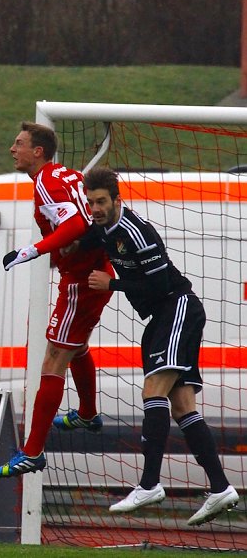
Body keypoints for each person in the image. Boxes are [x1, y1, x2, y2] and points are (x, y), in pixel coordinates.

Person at [81, 167, 239, 525]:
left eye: (101, 201)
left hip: (177, 307)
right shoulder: (103, 228)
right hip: (161, 318)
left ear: (117, 200)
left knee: (153, 390)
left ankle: (149, 483)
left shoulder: (137, 233)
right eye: (90, 203)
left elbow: (158, 286)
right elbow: (81, 238)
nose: (96, 208)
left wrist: (112, 285)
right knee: (182, 406)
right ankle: (220, 488)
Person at [0, 122, 113, 478]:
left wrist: (33, 250)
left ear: (38, 151)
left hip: (81, 280)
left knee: (54, 357)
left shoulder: (45, 181)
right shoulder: (69, 174)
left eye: (19, 144)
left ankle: (32, 452)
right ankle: (88, 414)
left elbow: (75, 225)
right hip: (91, 270)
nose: (13, 150)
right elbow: (83, 220)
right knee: (75, 346)